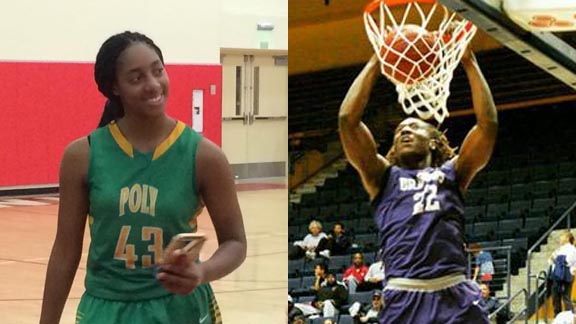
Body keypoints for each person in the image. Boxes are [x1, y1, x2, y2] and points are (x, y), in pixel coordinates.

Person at [39, 31, 247, 324]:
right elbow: (65, 250)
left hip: (180, 310)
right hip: (106, 310)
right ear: (114, 87)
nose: (153, 85)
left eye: (158, 71)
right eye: (136, 78)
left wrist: (201, 273)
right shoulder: (82, 156)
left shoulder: (204, 156)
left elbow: (236, 242)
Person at [338, 46, 497, 323]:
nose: (405, 132)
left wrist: (470, 64)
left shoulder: (454, 173)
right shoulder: (383, 178)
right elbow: (347, 122)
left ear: (433, 140)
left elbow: (487, 125)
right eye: (399, 131)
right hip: (404, 295)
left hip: (455, 293)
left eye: (413, 127)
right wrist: (377, 60)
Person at [549, 231, 576, 316]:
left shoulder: (572, 249)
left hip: (567, 274)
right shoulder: (560, 249)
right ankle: (558, 315)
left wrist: (558, 259)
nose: (560, 239)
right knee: (555, 296)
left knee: (566, 297)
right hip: (557, 274)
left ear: (567, 238)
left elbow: (568, 261)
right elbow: (551, 259)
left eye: (562, 237)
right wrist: (557, 260)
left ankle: (570, 317)